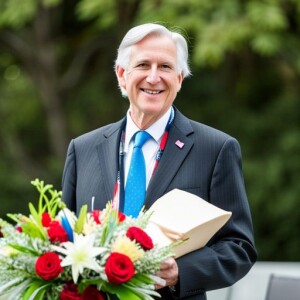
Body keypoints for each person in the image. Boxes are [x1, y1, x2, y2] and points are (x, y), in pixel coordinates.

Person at [62, 23, 257, 300]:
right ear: (122, 75)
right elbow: (62, 239)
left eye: (165, 67)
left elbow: (239, 247)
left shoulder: (215, 149)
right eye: (143, 64)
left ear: (179, 78)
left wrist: (180, 271)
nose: (153, 78)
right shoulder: (82, 150)